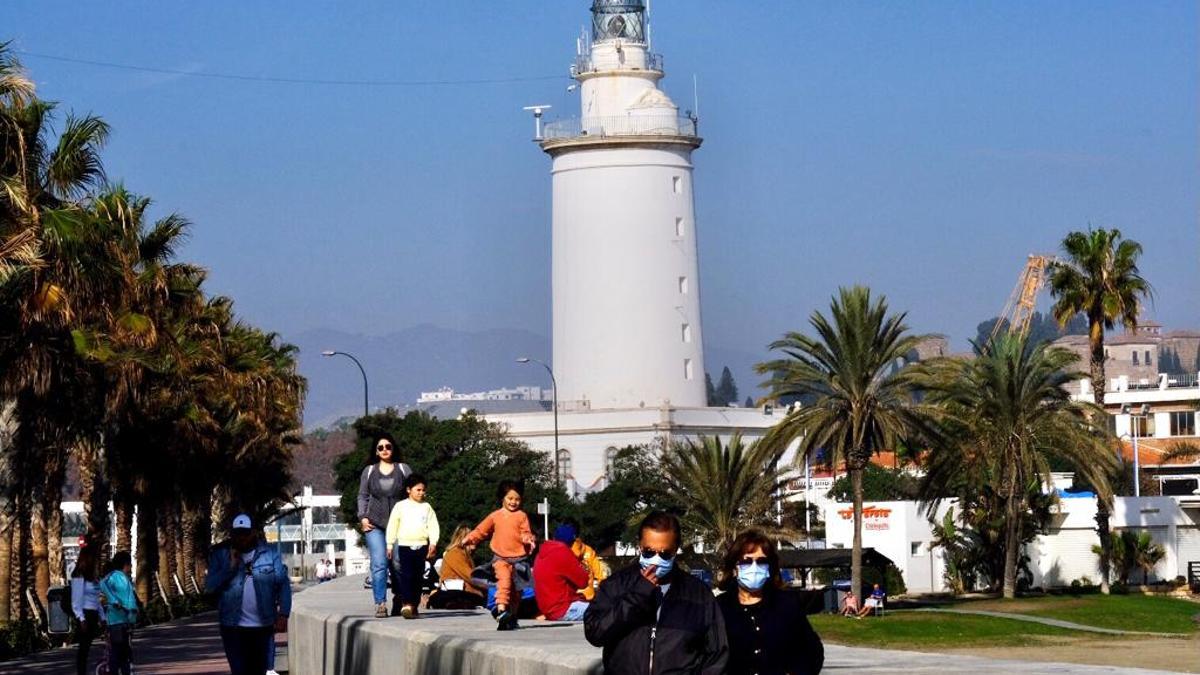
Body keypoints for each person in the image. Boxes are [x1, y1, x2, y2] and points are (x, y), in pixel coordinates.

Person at [584, 512, 728, 674]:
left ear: (675, 551)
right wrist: (636, 596)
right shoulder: (616, 585)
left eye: (665, 554)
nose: (656, 559)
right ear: (640, 546)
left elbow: (717, 653)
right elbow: (595, 633)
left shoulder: (699, 593)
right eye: (649, 552)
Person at [717, 529, 824, 675]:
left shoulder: (787, 605)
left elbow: (812, 651)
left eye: (761, 561)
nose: (754, 567)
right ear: (734, 568)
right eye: (746, 561)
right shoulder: (719, 608)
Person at [205, 513, 292, 675]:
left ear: (253, 533)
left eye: (245, 533)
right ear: (232, 534)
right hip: (233, 627)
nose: (241, 538)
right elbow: (210, 586)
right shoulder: (220, 555)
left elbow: (283, 585)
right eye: (238, 533)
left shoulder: (270, 554)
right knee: (239, 671)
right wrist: (229, 568)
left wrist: (283, 615)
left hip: (263, 626)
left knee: (259, 670)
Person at [463, 479, 535, 630]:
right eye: (510, 498)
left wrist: (529, 540)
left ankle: (512, 616)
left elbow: (525, 533)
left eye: (517, 499)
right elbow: (481, 530)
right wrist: (470, 538)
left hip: (519, 559)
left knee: (517, 591)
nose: (513, 502)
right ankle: (501, 610)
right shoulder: (495, 516)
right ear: (502, 498)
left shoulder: (522, 516)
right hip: (501, 558)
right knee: (504, 582)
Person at [357, 432, 413, 618]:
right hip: (375, 524)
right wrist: (363, 517)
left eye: (388, 446)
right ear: (376, 451)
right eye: (380, 447)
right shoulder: (370, 471)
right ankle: (380, 602)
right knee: (379, 563)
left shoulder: (404, 469)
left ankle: (400, 597)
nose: (385, 450)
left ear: (393, 448)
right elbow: (362, 496)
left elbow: (413, 494)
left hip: (400, 525)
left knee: (398, 562)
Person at [385, 472, 440, 619]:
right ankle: (406, 603)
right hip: (404, 545)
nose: (421, 493)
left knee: (417, 577)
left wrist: (433, 542)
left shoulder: (427, 507)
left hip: (421, 546)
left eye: (423, 490)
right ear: (409, 490)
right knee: (407, 575)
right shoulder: (400, 506)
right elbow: (392, 525)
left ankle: (414, 605)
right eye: (418, 490)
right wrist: (390, 544)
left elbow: (433, 525)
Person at [533, 523, 590, 621]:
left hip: (548, 609)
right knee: (605, 610)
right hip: (563, 609)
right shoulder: (562, 552)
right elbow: (583, 582)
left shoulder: (541, 553)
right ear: (572, 541)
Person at [97, 551, 137, 675]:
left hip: (122, 621)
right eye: (130, 564)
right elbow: (102, 584)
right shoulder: (117, 576)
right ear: (125, 564)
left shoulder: (121, 577)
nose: (130, 567)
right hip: (118, 620)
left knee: (123, 654)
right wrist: (115, 601)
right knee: (119, 653)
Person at [428, 525, 485, 609]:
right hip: (459, 591)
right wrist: (487, 584)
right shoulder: (456, 553)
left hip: (461, 592)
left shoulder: (464, 554)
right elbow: (470, 575)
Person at [70, 544, 102, 675]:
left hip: (93, 614)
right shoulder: (78, 575)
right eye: (93, 558)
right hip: (85, 615)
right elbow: (76, 600)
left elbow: (96, 599)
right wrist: (81, 618)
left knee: (87, 648)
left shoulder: (93, 577)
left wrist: (102, 617)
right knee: (83, 650)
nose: (95, 561)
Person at [563, 517, 608, 601]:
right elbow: (600, 576)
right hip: (587, 598)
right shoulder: (589, 551)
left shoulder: (559, 552)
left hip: (567, 601)